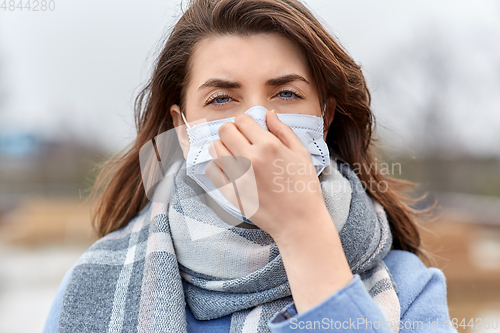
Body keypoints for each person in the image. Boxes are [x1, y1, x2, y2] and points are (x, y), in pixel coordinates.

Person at [44, 0, 458, 332]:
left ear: (325, 118)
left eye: (287, 94)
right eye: (222, 99)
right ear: (182, 129)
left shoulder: (409, 290)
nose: (256, 123)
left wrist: (303, 233)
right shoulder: (91, 286)